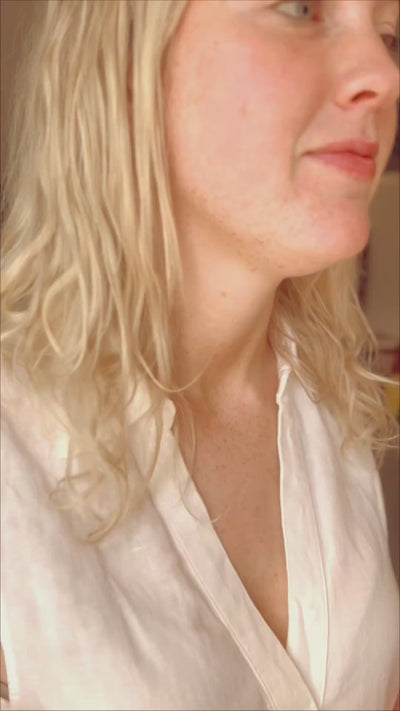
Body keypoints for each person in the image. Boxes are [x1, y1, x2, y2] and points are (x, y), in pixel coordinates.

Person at [1, 0, 399, 708]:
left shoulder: (337, 400)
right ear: (128, 56)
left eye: (390, 33)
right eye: (300, 8)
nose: (383, 73)